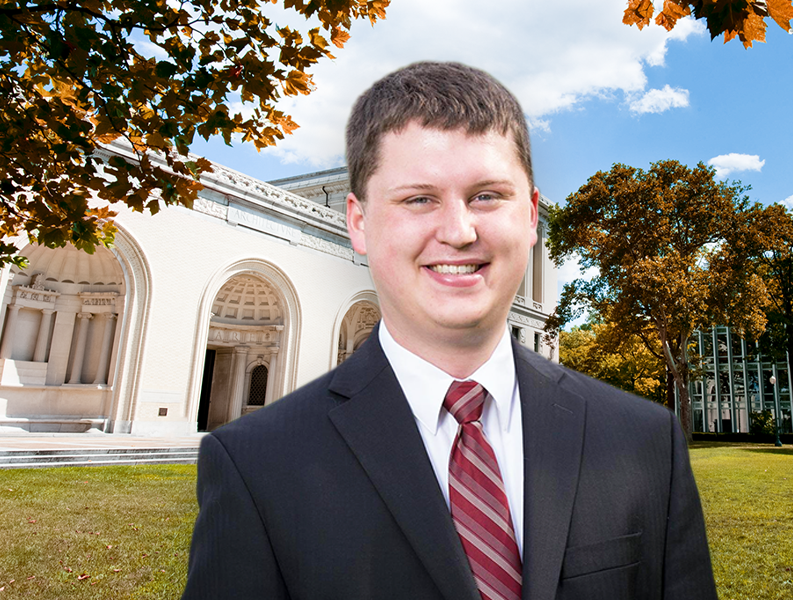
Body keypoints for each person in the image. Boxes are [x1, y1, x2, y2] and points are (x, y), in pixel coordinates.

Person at [182, 61, 718, 600]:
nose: (459, 233)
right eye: (419, 198)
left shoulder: (643, 442)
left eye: (487, 195)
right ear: (359, 222)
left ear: (531, 217)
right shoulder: (254, 465)